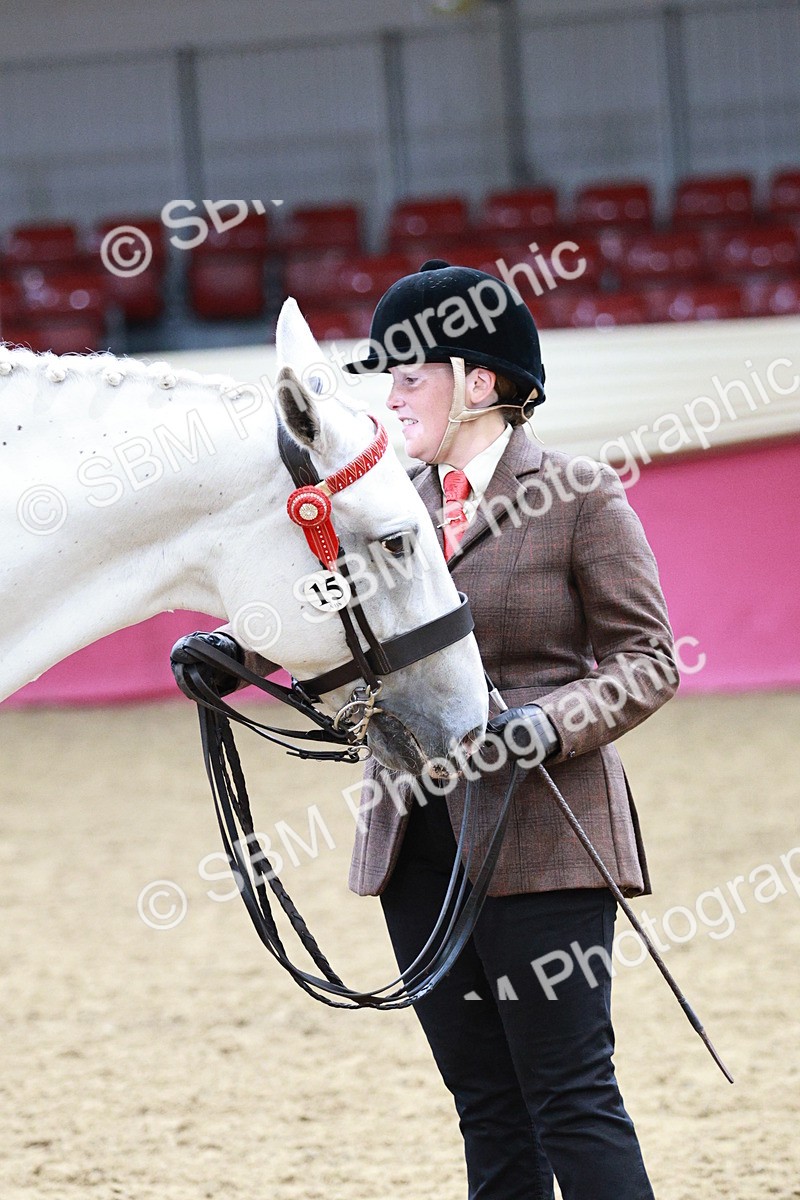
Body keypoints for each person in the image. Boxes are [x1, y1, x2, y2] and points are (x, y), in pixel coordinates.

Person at [178, 259, 678, 1199]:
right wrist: (236, 654)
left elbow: (648, 659)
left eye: (411, 376)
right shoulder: (388, 501)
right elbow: (333, 615)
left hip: (544, 835)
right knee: (484, 1104)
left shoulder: (578, 495)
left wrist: (545, 724)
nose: (392, 396)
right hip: (417, 843)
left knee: (571, 1098)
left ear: (479, 383)